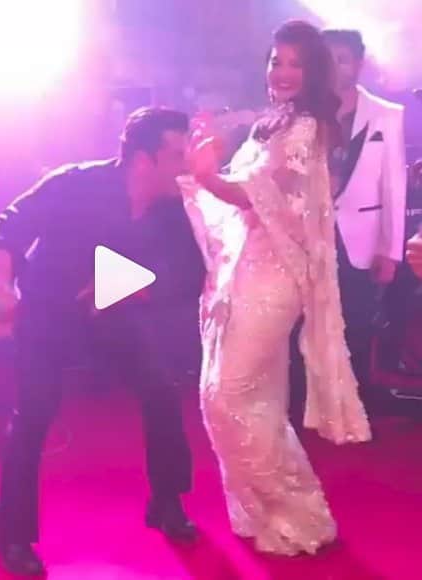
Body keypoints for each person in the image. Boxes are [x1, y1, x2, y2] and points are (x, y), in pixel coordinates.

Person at [0, 107, 205, 576]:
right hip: (49, 307)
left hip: (113, 310)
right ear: (143, 160)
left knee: (161, 387)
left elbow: (189, 272)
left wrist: (123, 286)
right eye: (176, 155)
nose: (186, 164)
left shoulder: (175, 206)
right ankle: (12, 536)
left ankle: (167, 502)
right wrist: (3, 285)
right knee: (34, 412)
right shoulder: (75, 183)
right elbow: (10, 224)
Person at [183, 20, 371, 556]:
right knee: (249, 395)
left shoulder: (308, 127)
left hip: (277, 277)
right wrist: (202, 173)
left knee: (228, 394)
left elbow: (258, 194)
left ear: (313, 71)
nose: (283, 72)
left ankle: (295, 510)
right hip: (244, 270)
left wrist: (208, 176)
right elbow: (242, 197)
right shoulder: (273, 122)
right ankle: (267, 508)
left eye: (295, 63)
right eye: (276, 61)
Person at [322, 29, 407, 386]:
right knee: (313, 325)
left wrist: (390, 250)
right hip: (311, 234)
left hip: (362, 238)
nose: (334, 67)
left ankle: (357, 398)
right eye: (327, 59)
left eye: (342, 59)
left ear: (359, 64)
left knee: (357, 325)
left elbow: (394, 185)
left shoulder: (387, 114)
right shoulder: (305, 112)